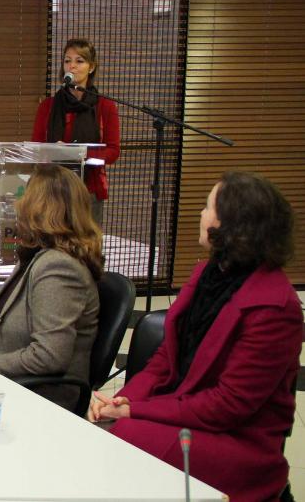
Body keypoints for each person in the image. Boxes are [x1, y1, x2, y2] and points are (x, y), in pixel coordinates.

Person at [90, 171, 301, 502]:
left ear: (232, 225)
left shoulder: (275, 307)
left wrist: (136, 413)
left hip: (236, 440)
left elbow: (227, 406)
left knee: (125, 435)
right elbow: (165, 358)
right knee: (104, 426)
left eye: (207, 207)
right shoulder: (207, 273)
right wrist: (124, 400)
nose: (200, 215)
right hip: (187, 411)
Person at [0, 165, 104, 411]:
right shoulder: (36, 254)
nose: (18, 203)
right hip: (11, 382)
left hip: (40, 396)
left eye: (26, 195)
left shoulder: (58, 267)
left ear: (41, 207)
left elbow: (49, 356)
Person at [32, 38, 120, 225]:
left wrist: (77, 153)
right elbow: (36, 149)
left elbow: (112, 152)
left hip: (88, 190)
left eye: (79, 61)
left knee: (86, 249)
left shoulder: (105, 106)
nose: (71, 66)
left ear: (91, 67)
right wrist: (53, 151)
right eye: (67, 60)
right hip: (53, 189)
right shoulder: (48, 106)